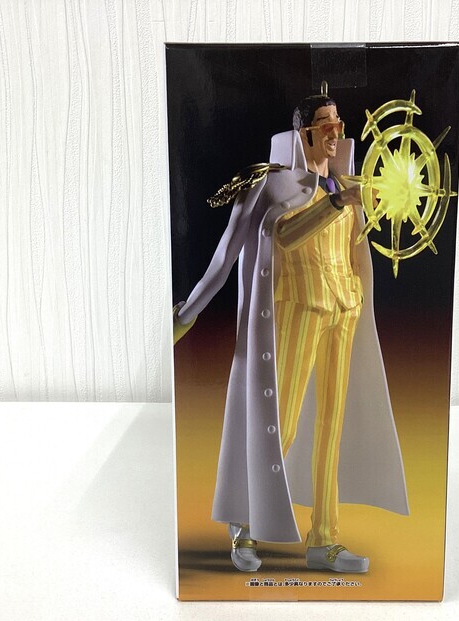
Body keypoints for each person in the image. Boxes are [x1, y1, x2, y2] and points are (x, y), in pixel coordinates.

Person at [174, 92, 409, 574]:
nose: (335, 132)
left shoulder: (347, 183)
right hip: (299, 307)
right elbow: (278, 237)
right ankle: (243, 520)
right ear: (304, 133)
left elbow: (356, 245)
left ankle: (324, 538)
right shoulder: (278, 183)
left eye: (338, 123)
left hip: (343, 308)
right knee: (279, 421)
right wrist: (186, 314)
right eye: (325, 124)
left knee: (332, 428)